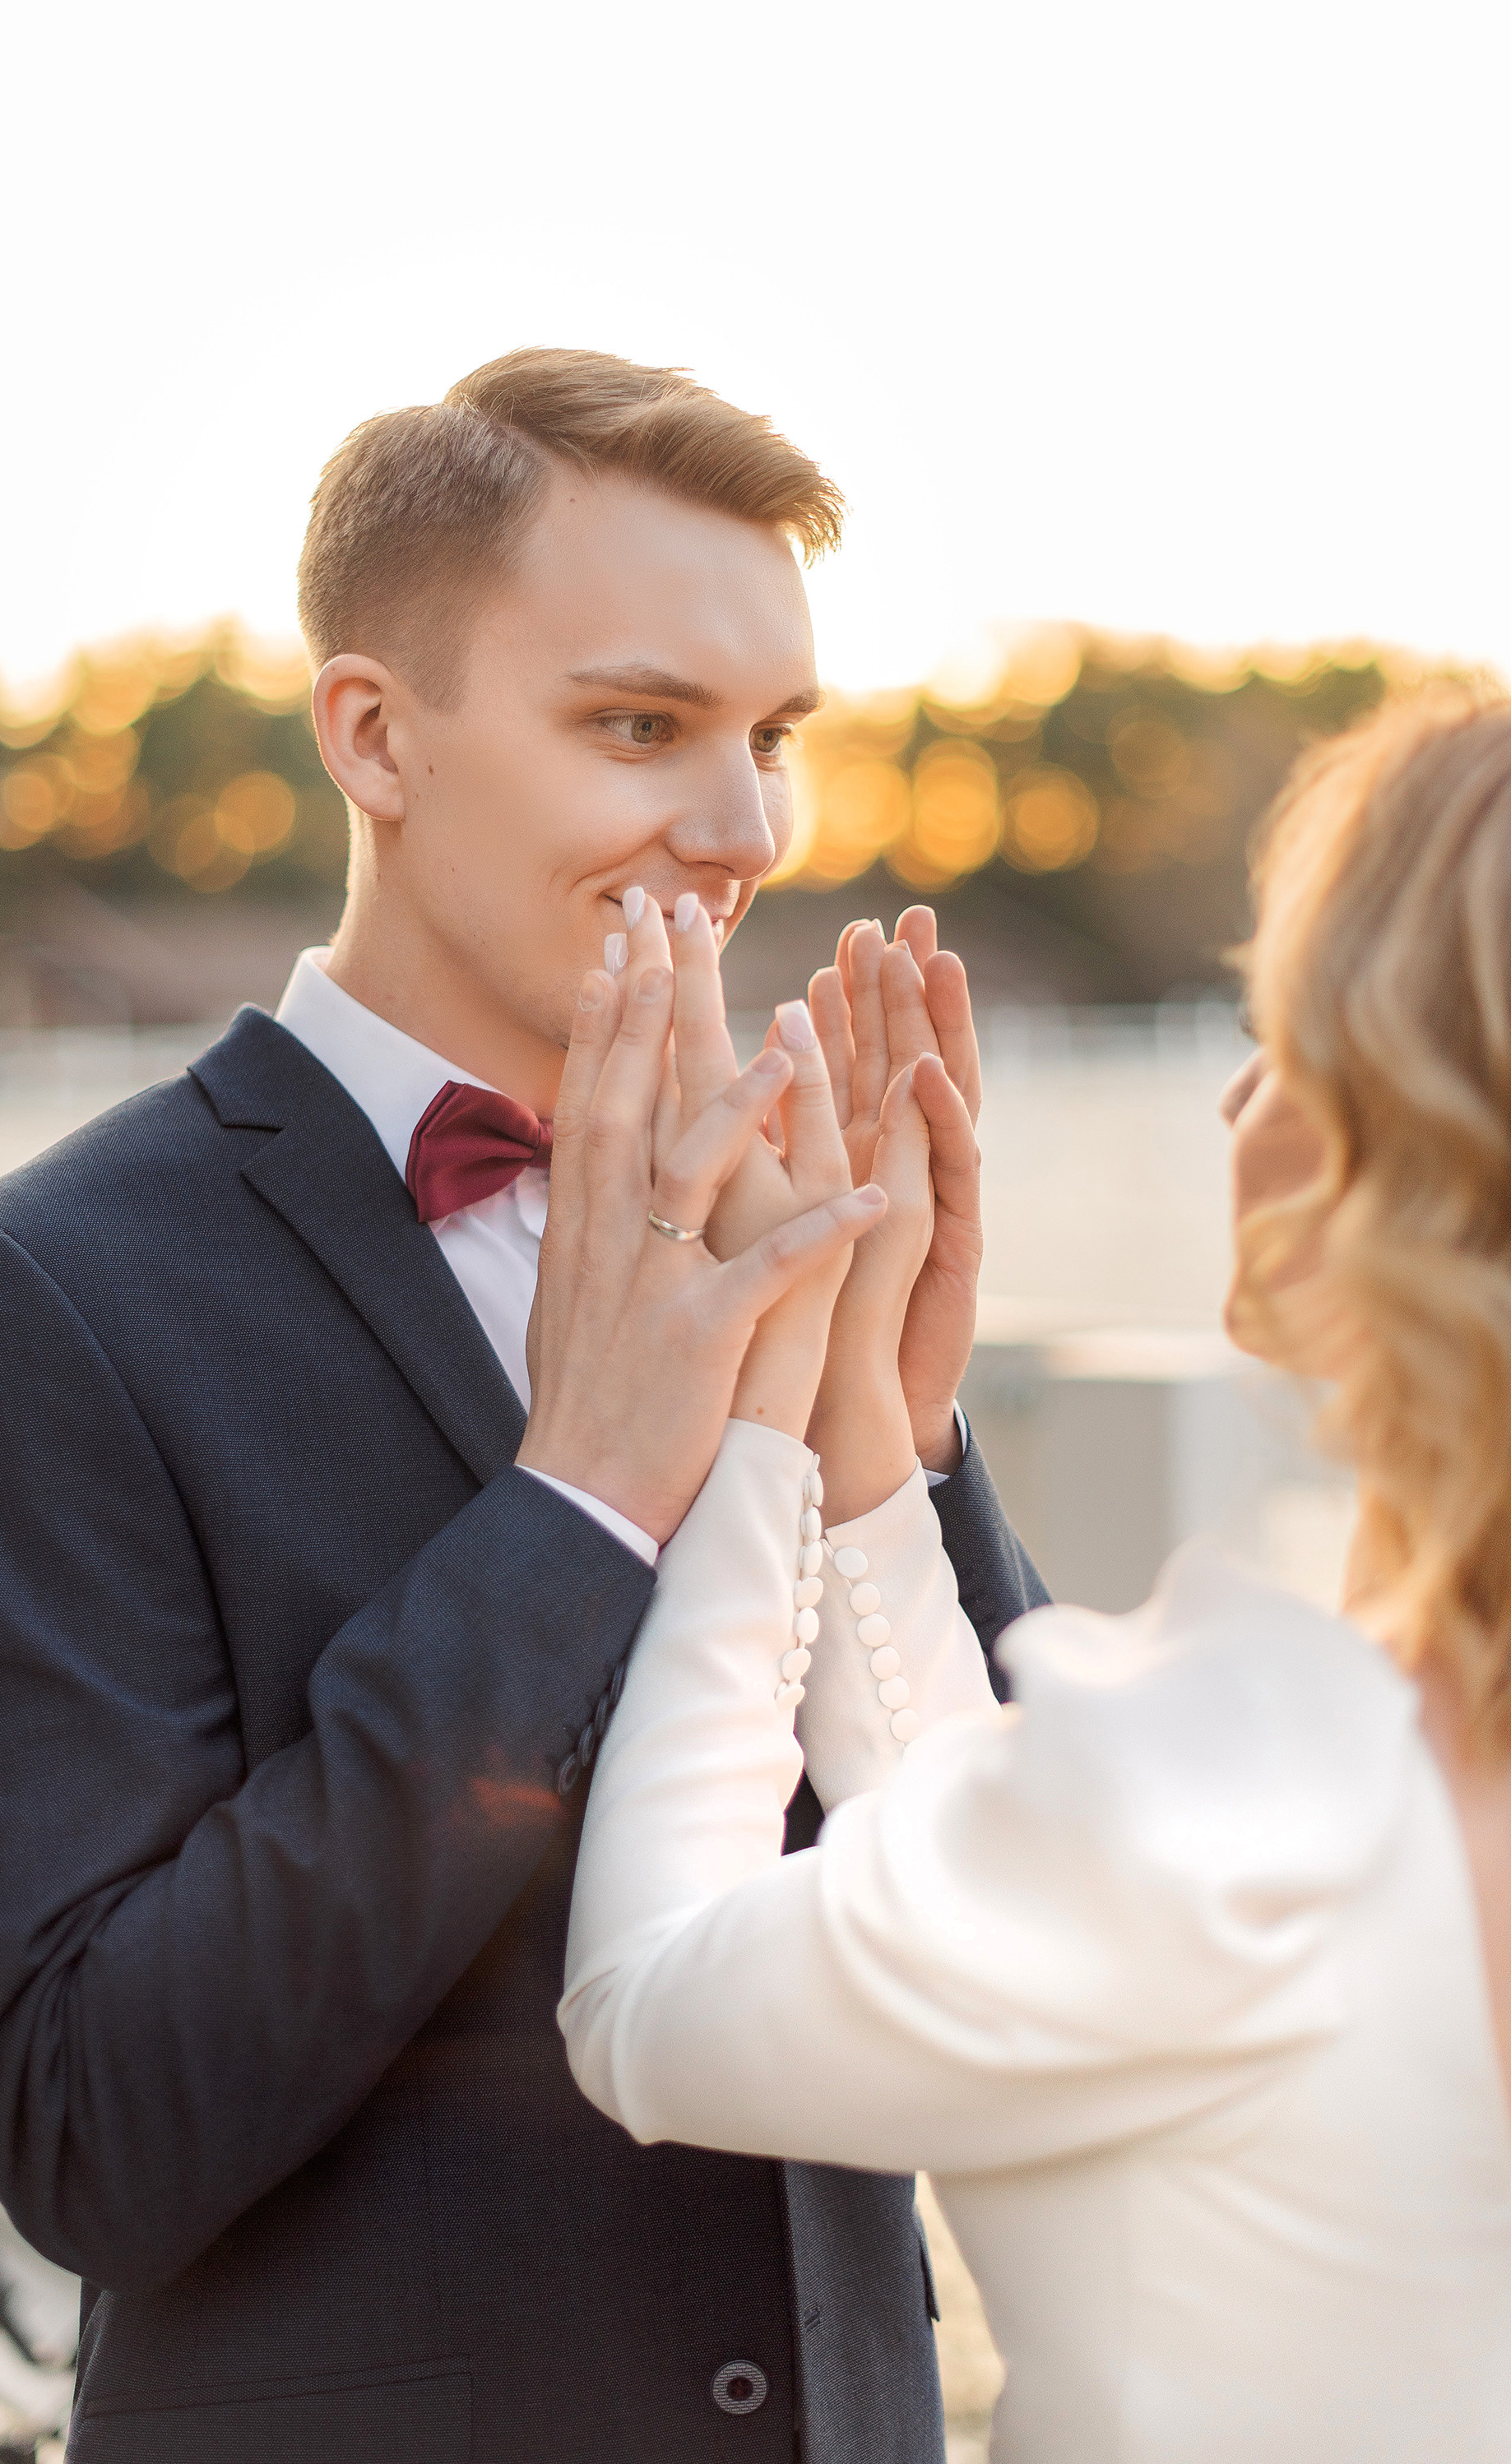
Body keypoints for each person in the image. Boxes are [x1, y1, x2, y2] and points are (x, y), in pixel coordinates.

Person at [0, 350, 1044, 2464]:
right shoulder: (40, 1295)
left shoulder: (794, 1207)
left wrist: (890, 1433)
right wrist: (579, 1502)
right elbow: (91, 2132)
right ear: (374, 736)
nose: (745, 827)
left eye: (769, 736)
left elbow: (1028, 1943)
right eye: (638, 724)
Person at [559, 690, 1511, 2462]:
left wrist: (760, 1395)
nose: (1237, 1084)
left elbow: (642, 2003)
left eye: (1275, 1025)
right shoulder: (1262, 1800)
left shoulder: (1235, 1787)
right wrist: (861, 1438)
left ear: (1375, 1144)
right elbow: (1004, 1897)